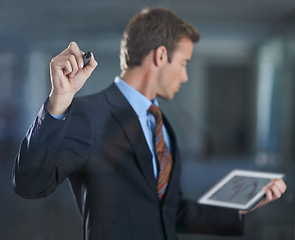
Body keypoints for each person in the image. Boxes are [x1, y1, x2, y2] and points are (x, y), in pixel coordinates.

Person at [13, 7, 286, 240]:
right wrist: (57, 102)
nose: (185, 76)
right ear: (160, 56)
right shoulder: (88, 114)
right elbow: (29, 185)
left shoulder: (162, 125)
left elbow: (170, 209)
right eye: (183, 63)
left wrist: (241, 205)